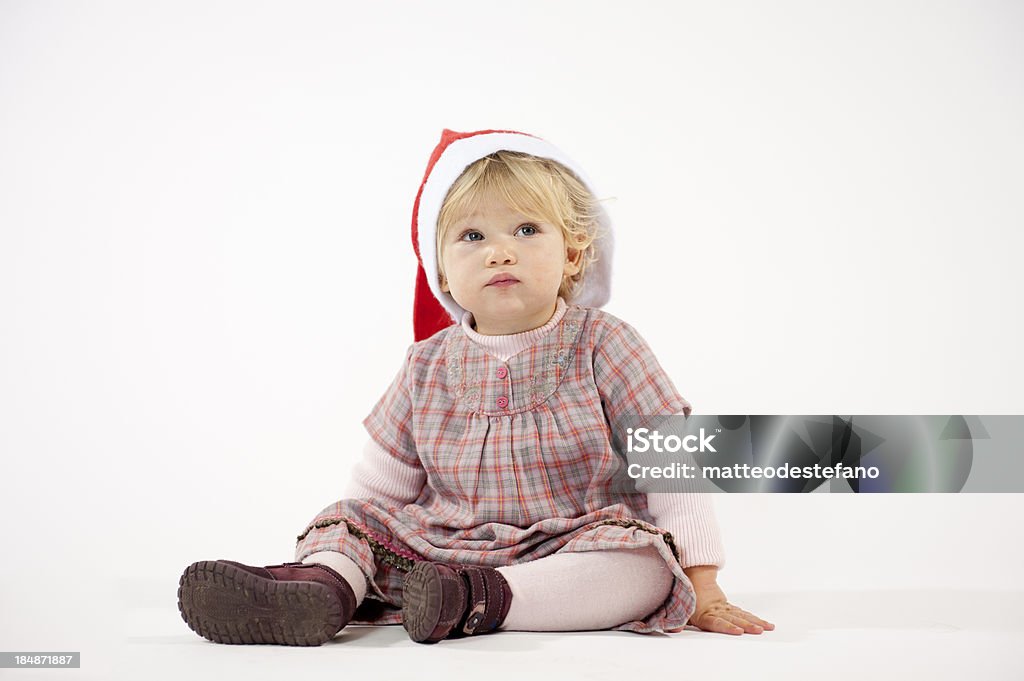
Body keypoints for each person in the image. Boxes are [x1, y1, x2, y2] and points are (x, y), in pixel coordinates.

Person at [177, 128, 774, 646]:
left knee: (642, 567)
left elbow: (674, 463)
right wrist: (356, 539)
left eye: (525, 228)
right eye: (472, 237)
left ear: (572, 254)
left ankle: (478, 599)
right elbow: (380, 487)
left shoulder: (603, 343)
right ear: (441, 273)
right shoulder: (426, 364)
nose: (500, 252)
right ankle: (322, 589)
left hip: (570, 544)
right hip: (440, 547)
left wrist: (704, 586)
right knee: (349, 519)